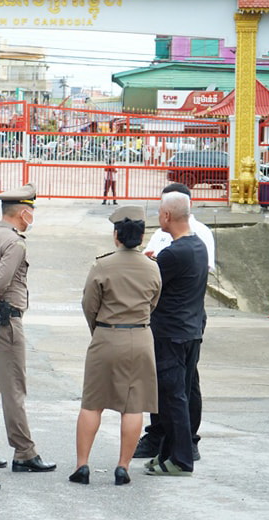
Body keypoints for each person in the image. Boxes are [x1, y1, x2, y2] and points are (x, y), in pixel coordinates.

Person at [70, 205, 162, 486]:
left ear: (116, 236)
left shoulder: (102, 265)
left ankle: (82, 465)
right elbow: (153, 302)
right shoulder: (152, 267)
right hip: (140, 338)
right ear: (142, 237)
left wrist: (98, 331)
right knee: (133, 407)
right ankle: (123, 467)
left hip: (107, 335)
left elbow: (89, 305)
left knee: (92, 404)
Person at [136, 182, 215, 462]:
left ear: (168, 215)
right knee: (176, 391)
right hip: (189, 327)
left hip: (172, 331)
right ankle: (170, 449)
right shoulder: (197, 245)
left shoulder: (175, 251)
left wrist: (147, 264)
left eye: (160, 211)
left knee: (175, 394)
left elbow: (148, 283)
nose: (158, 217)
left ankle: (182, 454)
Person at [0, 183, 56, 475]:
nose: (32, 215)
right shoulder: (14, 242)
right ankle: (24, 452)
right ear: (24, 213)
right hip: (6, 321)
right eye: (32, 210)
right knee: (13, 388)